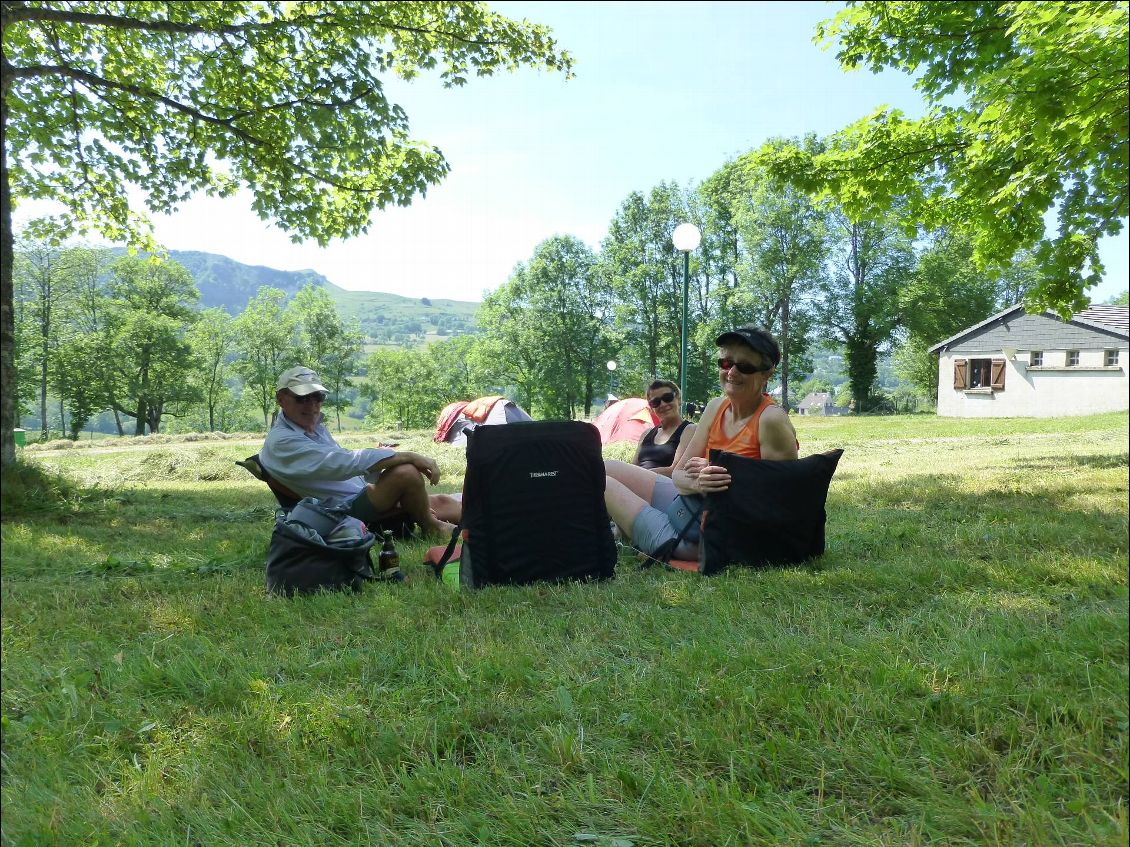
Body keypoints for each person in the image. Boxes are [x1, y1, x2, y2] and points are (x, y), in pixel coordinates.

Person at [604, 325, 798, 561]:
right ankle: (623, 530)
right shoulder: (716, 407)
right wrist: (698, 483)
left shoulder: (771, 420)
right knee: (603, 468)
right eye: (726, 363)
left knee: (603, 484)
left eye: (744, 366)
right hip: (689, 505)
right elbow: (679, 476)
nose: (732, 373)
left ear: (766, 373)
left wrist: (718, 485)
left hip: (710, 537)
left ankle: (622, 533)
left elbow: (782, 501)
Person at [259, 366, 460, 538]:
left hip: (359, 496)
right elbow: (343, 463)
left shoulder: (311, 430)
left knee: (442, 502)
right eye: (302, 398)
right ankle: (431, 527)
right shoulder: (282, 441)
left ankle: (484, 517)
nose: (312, 405)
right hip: (340, 510)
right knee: (405, 473)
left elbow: (345, 464)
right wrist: (409, 456)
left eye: (317, 397)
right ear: (281, 399)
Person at [633, 379, 696, 477]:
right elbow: (633, 466)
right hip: (638, 483)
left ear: (678, 399)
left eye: (667, 397)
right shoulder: (646, 434)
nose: (662, 404)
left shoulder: (689, 430)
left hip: (668, 485)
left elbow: (676, 470)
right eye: (655, 402)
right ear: (651, 408)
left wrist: (636, 475)